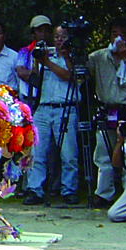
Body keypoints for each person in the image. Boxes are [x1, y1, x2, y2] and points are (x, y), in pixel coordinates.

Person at [86, 16, 126, 208]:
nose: (118, 38)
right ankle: (103, 193)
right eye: (115, 34)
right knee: (103, 153)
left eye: (123, 34)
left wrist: (125, 57)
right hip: (106, 108)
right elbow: (82, 75)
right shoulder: (98, 57)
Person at [23, 25, 79, 205]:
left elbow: (69, 75)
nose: (59, 40)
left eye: (63, 36)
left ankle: (69, 190)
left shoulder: (73, 57)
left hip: (65, 108)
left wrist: (48, 62)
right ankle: (35, 189)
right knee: (37, 151)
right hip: (44, 107)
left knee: (68, 153)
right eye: (56, 37)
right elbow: (34, 80)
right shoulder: (46, 55)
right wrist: (37, 61)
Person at [15, 15, 53, 107]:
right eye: (39, 31)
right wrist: (42, 79)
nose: (43, 34)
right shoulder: (25, 51)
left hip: (48, 100)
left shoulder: (54, 51)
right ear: (33, 33)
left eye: (46, 31)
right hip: (28, 98)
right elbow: (21, 72)